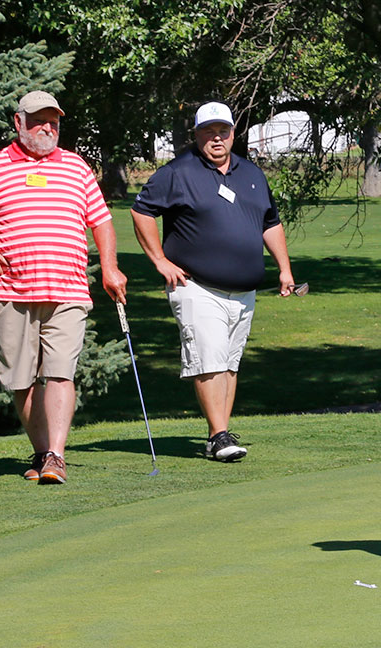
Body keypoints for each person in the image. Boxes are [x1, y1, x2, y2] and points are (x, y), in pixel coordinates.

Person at [0, 90, 127, 484]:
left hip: (68, 290)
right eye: (39, 120)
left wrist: (109, 268)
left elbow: (102, 221)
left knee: (60, 372)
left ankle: (56, 457)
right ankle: (42, 451)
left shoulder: (76, 168)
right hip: (12, 291)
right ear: (18, 122)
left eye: (54, 121)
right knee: (21, 381)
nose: (48, 127)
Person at [130, 101, 295, 462]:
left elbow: (270, 222)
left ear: (234, 134)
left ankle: (215, 436)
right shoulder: (178, 172)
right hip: (196, 286)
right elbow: (141, 211)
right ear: (197, 134)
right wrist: (159, 260)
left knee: (229, 363)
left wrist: (284, 268)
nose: (216, 138)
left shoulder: (251, 173)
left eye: (223, 131)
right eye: (209, 131)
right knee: (208, 359)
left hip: (244, 291)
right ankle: (221, 435)